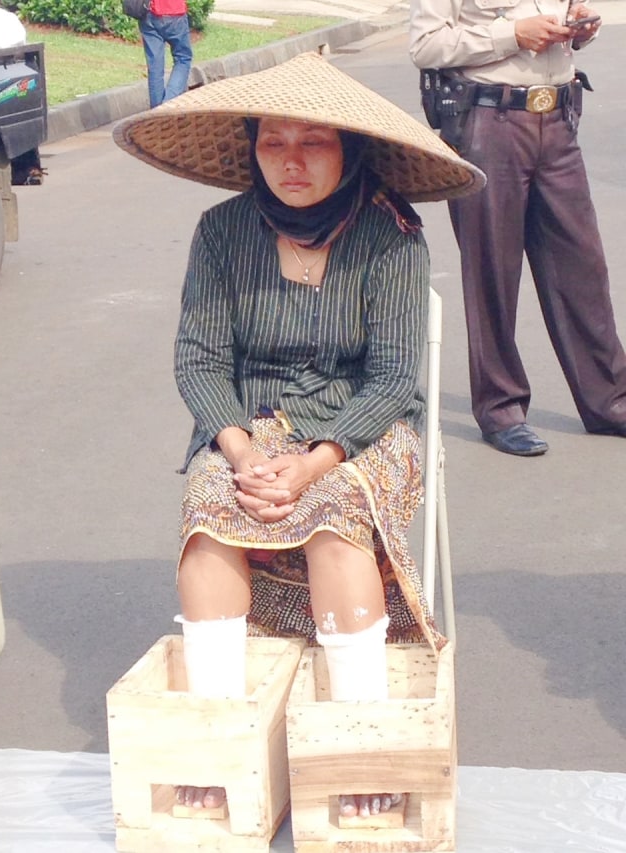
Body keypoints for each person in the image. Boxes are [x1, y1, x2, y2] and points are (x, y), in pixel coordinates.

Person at [113, 52, 483, 820]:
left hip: (362, 429)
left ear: (349, 153)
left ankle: (358, 742)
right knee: (209, 510)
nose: (290, 160)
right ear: (250, 145)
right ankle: (221, 749)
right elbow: (199, 359)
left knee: (337, 518)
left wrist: (315, 463)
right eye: (273, 140)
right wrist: (243, 451)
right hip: (253, 427)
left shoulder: (392, 239)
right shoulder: (219, 232)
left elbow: (390, 379)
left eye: (313, 142)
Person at [409, 1, 626, 457]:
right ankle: (501, 408)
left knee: (583, 269)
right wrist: (512, 35)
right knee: (493, 270)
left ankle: (611, 403)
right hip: (489, 122)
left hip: (559, 119)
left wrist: (580, 29)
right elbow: (427, 45)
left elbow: (566, 26)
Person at [138, 0, 193, 108]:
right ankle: (167, 105)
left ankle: (156, 113)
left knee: (155, 68)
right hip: (174, 12)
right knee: (183, 58)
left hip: (149, 12)